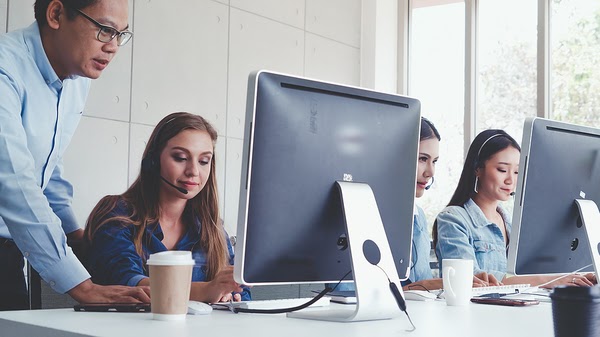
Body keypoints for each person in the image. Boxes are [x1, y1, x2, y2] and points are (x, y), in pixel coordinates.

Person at [0, 0, 148, 311]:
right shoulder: (5, 67)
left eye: (121, 34)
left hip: (8, 251)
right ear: (56, 14)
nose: (113, 47)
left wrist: (76, 238)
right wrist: (81, 285)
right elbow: (13, 181)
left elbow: (46, 165)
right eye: (105, 30)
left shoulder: (76, 78)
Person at [84, 112, 250, 303]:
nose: (194, 171)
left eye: (204, 161)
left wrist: (232, 293)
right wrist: (207, 290)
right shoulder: (117, 214)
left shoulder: (213, 229)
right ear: (153, 162)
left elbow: (242, 294)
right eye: (180, 158)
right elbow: (128, 285)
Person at [335, 118, 497, 293]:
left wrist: (454, 282)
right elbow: (347, 295)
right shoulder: (358, 212)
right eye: (422, 159)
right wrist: (426, 286)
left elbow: (420, 285)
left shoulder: (417, 216)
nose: (430, 172)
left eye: (434, 161)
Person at [434, 129, 594, 287]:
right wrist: (549, 281)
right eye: (502, 170)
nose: (511, 180)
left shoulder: (512, 224)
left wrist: (570, 277)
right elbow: (471, 279)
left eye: (517, 172)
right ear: (478, 169)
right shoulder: (453, 219)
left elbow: (529, 274)